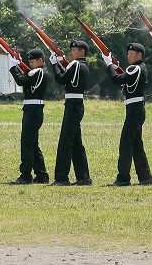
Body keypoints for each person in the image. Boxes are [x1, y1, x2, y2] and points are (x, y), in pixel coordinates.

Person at [107, 43, 152, 187]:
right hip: (135, 108)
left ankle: (123, 178)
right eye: (128, 54)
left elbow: (117, 80)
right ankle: (146, 177)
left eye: (131, 54)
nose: (128, 56)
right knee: (136, 144)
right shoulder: (139, 69)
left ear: (139, 55)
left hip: (135, 109)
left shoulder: (135, 68)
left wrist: (109, 65)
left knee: (126, 143)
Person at [50, 40, 93, 186]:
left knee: (65, 142)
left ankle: (62, 178)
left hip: (72, 105)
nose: (72, 52)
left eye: (75, 50)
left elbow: (61, 79)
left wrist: (54, 65)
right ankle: (83, 177)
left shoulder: (75, 64)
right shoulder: (83, 66)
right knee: (75, 143)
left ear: (82, 52)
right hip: (77, 104)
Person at [8, 48, 49, 185]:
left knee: (27, 143)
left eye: (32, 61)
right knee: (32, 143)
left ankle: (25, 175)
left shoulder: (39, 71)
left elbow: (21, 81)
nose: (30, 64)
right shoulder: (38, 71)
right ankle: (41, 174)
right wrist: (19, 65)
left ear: (40, 61)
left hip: (33, 110)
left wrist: (14, 67)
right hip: (32, 109)